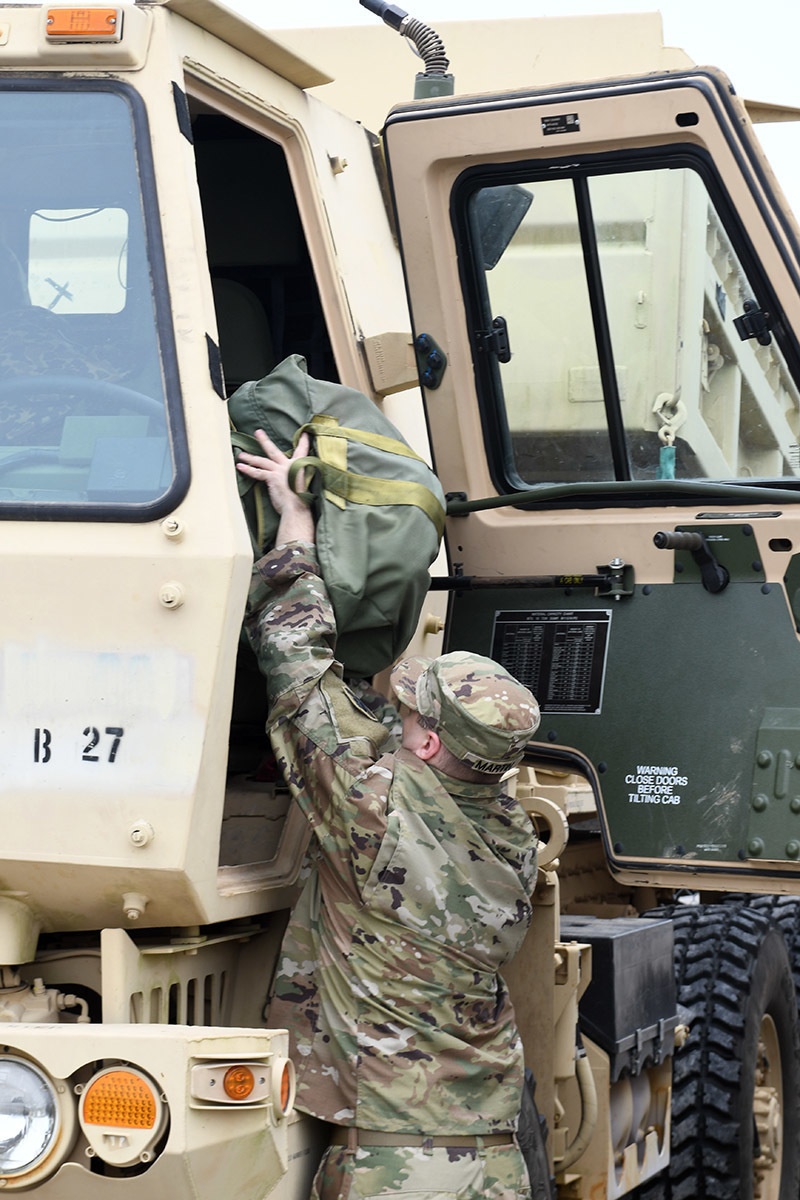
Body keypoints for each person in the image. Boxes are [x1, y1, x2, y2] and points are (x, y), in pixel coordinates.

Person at [237, 428, 541, 1200]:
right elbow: (385, 743)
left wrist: (295, 525)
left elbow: (298, 670)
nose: (392, 711)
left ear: (432, 743)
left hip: (394, 1168)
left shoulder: (373, 810)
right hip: (494, 1161)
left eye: (408, 714)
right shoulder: (513, 838)